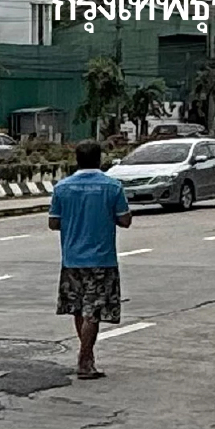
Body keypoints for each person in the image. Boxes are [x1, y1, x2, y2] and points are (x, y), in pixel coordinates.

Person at [48, 139, 132, 380]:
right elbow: (125, 220)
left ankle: (88, 356)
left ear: (77, 160)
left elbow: (53, 222)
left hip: (72, 259)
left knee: (79, 309)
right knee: (92, 312)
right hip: (101, 260)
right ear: (99, 159)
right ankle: (85, 360)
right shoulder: (112, 187)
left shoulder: (62, 188)